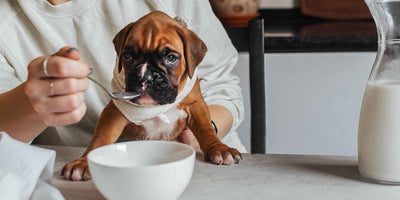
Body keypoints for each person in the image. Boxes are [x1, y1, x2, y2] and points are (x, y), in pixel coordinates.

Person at [0, 0, 247, 152]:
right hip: (88, 178)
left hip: (201, 166)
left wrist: (203, 136)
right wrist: (31, 105)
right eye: (128, 57)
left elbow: (223, 86)